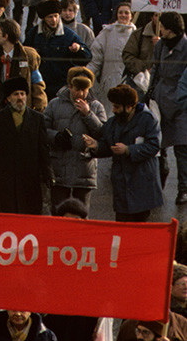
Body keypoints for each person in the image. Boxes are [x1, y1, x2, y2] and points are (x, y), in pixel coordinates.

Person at [83, 83, 163, 222]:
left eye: (117, 107)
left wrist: (128, 150)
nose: (113, 110)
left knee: (140, 227)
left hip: (142, 182)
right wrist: (96, 145)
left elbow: (154, 145)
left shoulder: (148, 119)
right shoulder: (113, 122)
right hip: (122, 184)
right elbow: (108, 145)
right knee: (122, 225)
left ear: (129, 107)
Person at [0, 77, 52, 214]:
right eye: (16, 94)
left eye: (22, 94)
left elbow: (43, 149)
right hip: (6, 181)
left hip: (30, 180)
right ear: (8, 98)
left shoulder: (37, 119)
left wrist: (48, 174)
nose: (20, 97)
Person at [43, 66, 106, 213]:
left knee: (81, 213)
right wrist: (56, 137)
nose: (81, 94)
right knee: (58, 211)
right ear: (70, 86)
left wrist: (88, 114)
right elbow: (43, 130)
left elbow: (102, 134)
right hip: (59, 166)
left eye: (85, 90)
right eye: (77, 89)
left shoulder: (96, 106)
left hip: (84, 167)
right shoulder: (55, 104)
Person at [148, 12, 187, 206]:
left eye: (162, 26)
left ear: (170, 29)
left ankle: (184, 189)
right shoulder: (161, 45)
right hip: (161, 98)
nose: (160, 29)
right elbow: (155, 69)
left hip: (181, 103)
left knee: (182, 147)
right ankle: (157, 186)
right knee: (158, 146)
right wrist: (150, 91)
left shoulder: (186, 46)